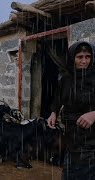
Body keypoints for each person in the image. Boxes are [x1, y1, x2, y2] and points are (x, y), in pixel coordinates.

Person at [47, 41, 95, 180]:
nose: (84, 61)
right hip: (72, 139)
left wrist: (94, 114)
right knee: (70, 174)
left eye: (87, 57)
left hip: (92, 141)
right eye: (79, 57)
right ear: (72, 58)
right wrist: (53, 112)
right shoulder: (66, 79)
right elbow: (58, 97)